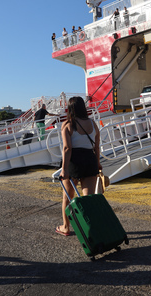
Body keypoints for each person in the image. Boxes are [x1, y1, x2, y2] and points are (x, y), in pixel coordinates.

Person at [56, 96, 102, 236]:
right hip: (90, 160)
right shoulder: (93, 124)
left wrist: (64, 170)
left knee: (67, 197)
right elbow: (97, 147)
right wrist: (98, 162)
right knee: (88, 198)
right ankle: (91, 228)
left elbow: (67, 148)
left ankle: (66, 227)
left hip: (74, 162)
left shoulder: (68, 125)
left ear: (70, 109)